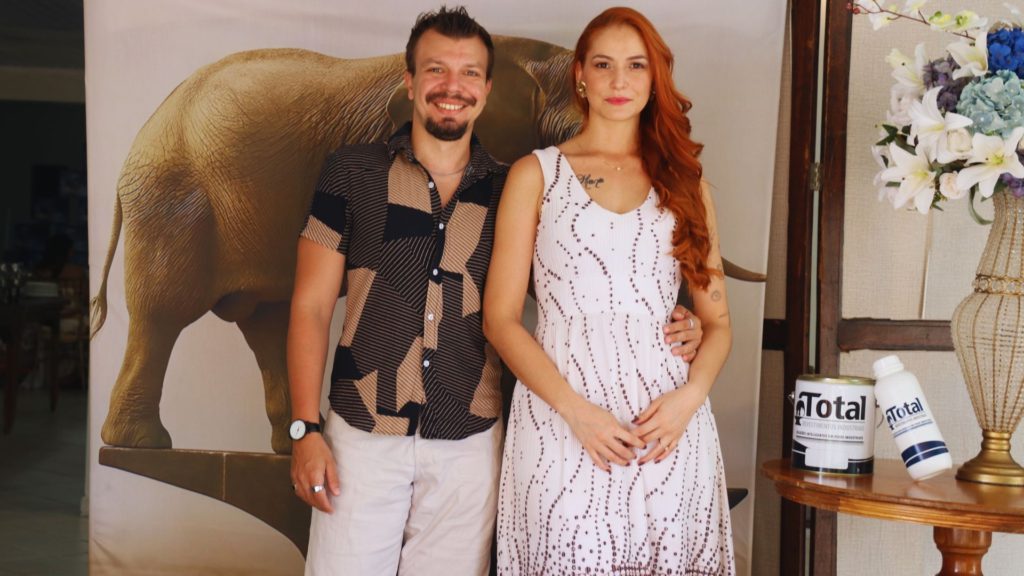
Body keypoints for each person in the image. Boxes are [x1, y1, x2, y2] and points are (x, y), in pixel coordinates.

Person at [288, 6, 704, 575]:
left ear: (487, 89)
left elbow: (581, 283)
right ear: (409, 81)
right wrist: (305, 428)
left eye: (469, 73)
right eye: (436, 70)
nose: (451, 86)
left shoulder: (514, 186)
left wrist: (684, 321)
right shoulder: (351, 172)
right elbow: (311, 307)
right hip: (361, 433)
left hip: (469, 440)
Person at [484, 6, 735, 575]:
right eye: (603, 64)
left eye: (636, 65)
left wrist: (689, 400)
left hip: (667, 424)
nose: (619, 81)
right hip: (562, 418)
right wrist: (575, 412)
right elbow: (500, 319)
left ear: (655, 77)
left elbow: (719, 324)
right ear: (580, 75)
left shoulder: (685, 182)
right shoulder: (536, 175)